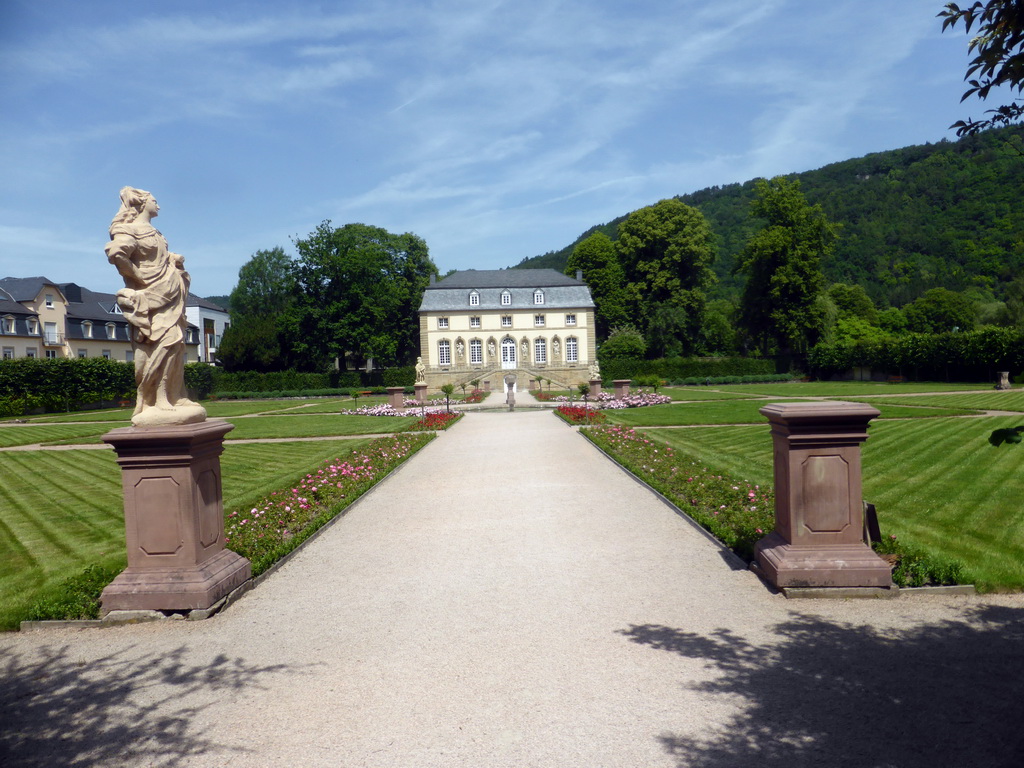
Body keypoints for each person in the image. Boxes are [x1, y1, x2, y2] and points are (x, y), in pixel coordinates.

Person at [105, 187, 205, 426]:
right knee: (165, 343)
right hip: (151, 298)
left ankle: (175, 395)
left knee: (177, 344)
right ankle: (157, 399)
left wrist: (173, 260)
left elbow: (158, 258)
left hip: (170, 295)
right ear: (142, 203)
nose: (158, 205)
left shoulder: (156, 232)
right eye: (154, 201)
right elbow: (117, 254)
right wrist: (140, 278)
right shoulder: (129, 230)